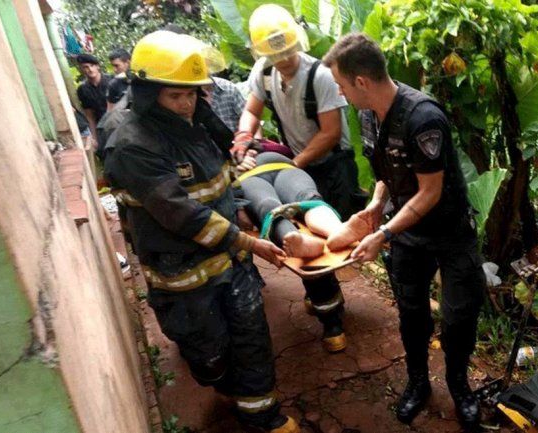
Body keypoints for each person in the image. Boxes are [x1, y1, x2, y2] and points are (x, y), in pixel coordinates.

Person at [103, 30, 299, 433]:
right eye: (176, 95)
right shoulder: (132, 145)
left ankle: (261, 413)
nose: (187, 103)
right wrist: (248, 241)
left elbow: (222, 181)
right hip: (184, 275)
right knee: (209, 355)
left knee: (251, 335)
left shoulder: (198, 125)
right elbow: (182, 213)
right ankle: (224, 384)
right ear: (147, 91)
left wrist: (244, 213)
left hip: (231, 260)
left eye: (192, 94)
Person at [323, 33, 486, 429]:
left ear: (361, 82)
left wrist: (384, 234)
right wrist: (376, 206)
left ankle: (459, 385)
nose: (341, 95)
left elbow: (429, 193)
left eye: (342, 86)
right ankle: (417, 383)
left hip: (448, 231)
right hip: (407, 233)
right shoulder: (367, 116)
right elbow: (385, 173)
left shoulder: (423, 117)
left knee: (459, 315)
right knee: (412, 314)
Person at [235, 4, 365, 353]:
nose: (282, 59)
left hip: (330, 162)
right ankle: (326, 300)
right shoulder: (264, 74)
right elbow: (251, 110)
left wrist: (295, 164)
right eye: (274, 54)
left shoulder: (320, 75)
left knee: (312, 221)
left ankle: (329, 308)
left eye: (287, 52)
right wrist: (244, 139)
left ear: (297, 44)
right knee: (290, 209)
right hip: (294, 163)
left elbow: (330, 132)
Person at [237, 152, 370, 258]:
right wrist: (238, 207)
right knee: (268, 206)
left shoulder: (246, 131)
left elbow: (251, 122)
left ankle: (337, 231)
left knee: (308, 197)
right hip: (247, 177)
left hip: (284, 167)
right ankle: (298, 240)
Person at [76, 53, 112, 141]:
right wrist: (94, 139)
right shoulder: (83, 89)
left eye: (92, 66)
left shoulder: (112, 81)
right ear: (81, 69)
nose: (90, 69)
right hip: (101, 127)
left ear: (98, 67)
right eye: (86, 67)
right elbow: (90, 115)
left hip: (118, 123)